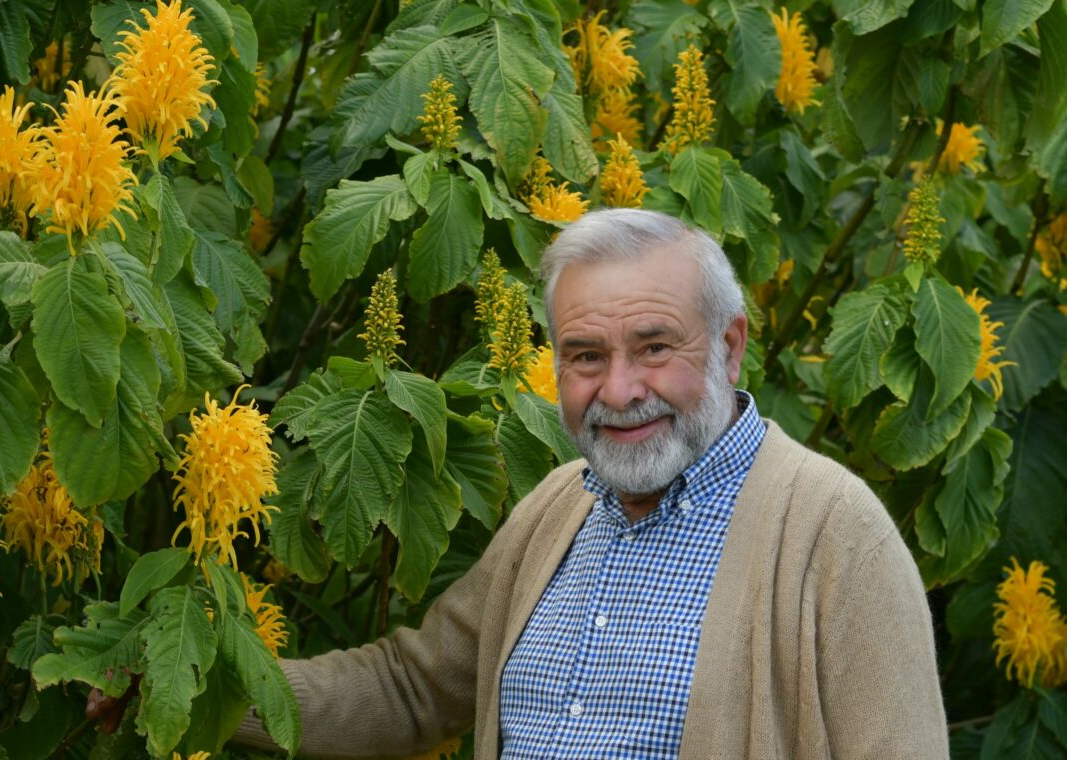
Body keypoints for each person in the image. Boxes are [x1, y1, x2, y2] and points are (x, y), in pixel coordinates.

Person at [235, 208, 948, 758]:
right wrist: (200, 688)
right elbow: (410, 689)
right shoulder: (557, 508)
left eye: (655, 347)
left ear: (729, 349)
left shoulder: (835, 533)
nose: (620, 389)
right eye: (584, 356)